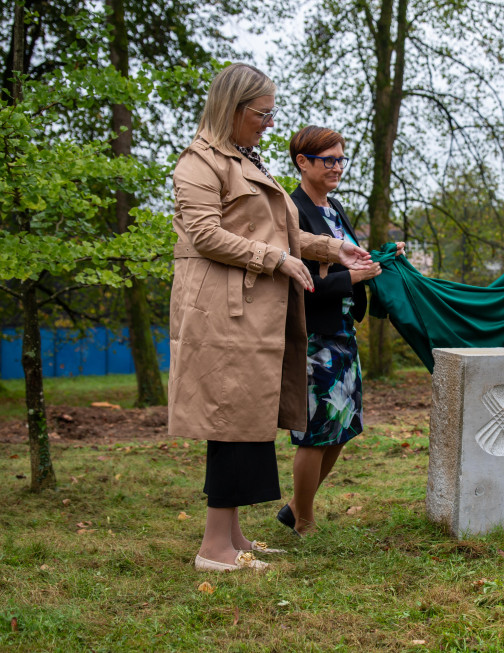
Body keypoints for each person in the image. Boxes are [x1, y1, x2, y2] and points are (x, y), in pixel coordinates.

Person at [169, 64, 371, 572]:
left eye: (271, 112)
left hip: (254, 313)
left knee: (246, 422)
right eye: (261, 113)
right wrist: (276, 260)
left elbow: (282, 231)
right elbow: (204, 235)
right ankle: (214, 550)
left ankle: (233, 538)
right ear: (231, 108)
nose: (268, 122)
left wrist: (333, 248)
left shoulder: (246, 161)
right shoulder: (199, 162)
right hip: (223, 313)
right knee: (231, 422)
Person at [274, 126, 404, 536]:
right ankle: (304, 521)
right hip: (313, 337)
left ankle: (296, 507)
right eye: (328, 160)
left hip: (343, 332)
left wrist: (379, 258)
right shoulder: (291, 212)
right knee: (314, 434)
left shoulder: (335, 208)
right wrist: (353, 279)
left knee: (343, 428)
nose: (337, 167)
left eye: (341, 159)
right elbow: (299, 285)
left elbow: (349, 263)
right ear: (303, 162)